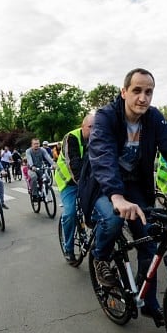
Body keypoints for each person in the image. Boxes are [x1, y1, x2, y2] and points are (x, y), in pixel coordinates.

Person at [81, 68, 167, 326]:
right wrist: (116, 196)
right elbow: (102, 156)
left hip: (135, 185)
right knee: (112, 221)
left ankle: (148, 302)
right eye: (136, 91)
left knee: (149, 240)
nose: (143, 98)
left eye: (148, 92)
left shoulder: (154, 119)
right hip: (103, 185)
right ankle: (101, 257)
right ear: (124, 92)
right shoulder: (105, 117)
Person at [55, 112, 96, 265]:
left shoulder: (98, 138)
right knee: (70, 213)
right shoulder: (71, 137)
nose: (93, 131)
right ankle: (69, 248)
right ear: (82, 126)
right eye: (90, 127)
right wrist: (83, 185)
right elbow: (73, 164)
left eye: (96, 127)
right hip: (68, 181)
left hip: (86, 182)